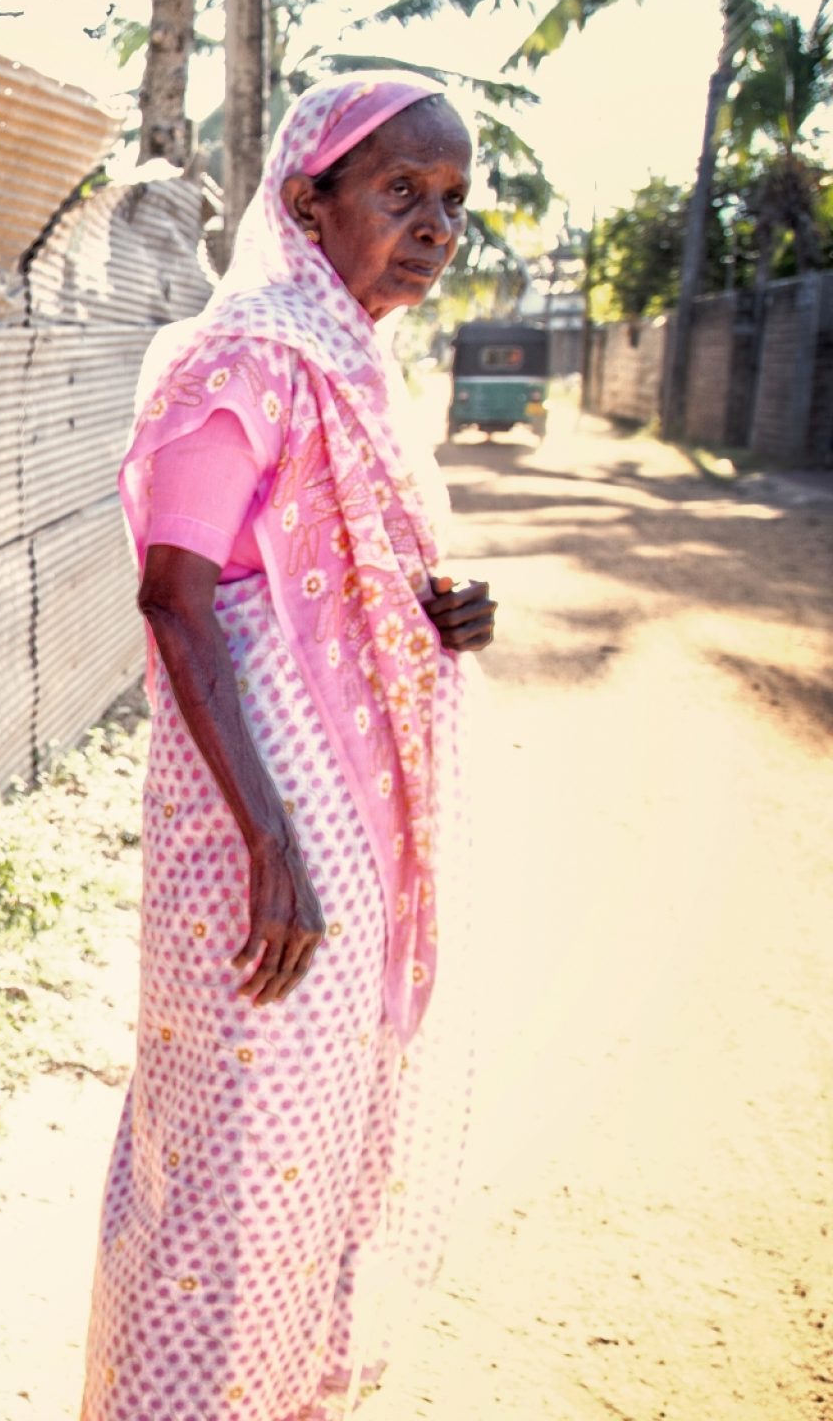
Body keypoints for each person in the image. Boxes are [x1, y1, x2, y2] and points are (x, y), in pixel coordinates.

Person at [82, 74, 496, 1418]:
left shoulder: (361, 370)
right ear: (309, 205)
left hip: (354, 844)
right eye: (400, 192)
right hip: (264, 843)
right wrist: (272, 849)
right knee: (229, 1167)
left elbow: (341, 583)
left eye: (453, 203)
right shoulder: (245, 362)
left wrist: (445, 609)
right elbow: (177, 600)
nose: (434, 228)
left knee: (316, 1154)